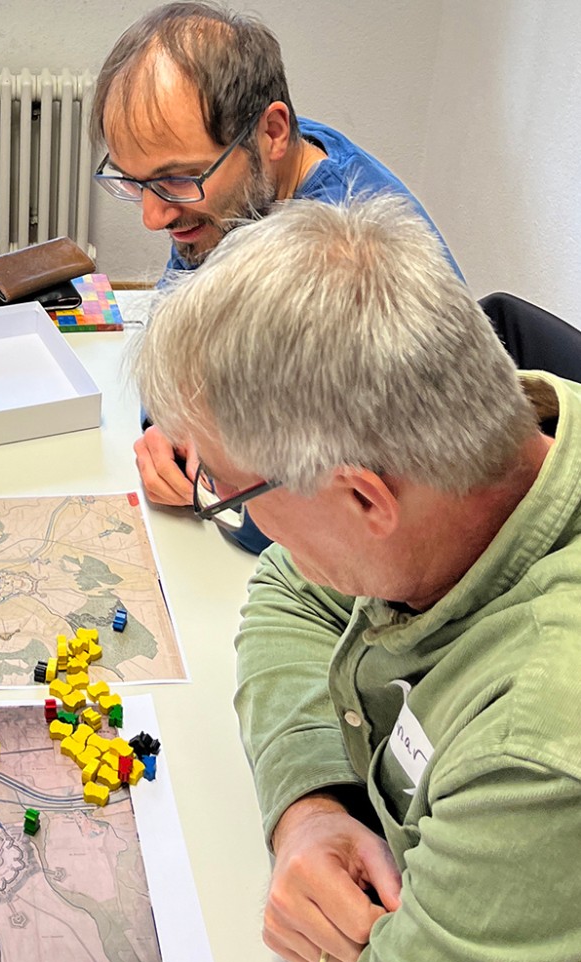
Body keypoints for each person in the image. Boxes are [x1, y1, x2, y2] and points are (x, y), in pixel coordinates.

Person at [133, 195, 581, 962]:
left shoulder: (535, 746)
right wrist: (311, 807)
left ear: (364, 497)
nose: (230, 511)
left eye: (230, 491)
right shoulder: (464, 476)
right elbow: (288, 589)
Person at [91, 2, 457, 553]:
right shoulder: (244, 191)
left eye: (177, 179)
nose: (152, 216)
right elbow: (173, 341)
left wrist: (206, 478)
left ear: (273, 132)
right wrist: (163, 427)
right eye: (135, 182)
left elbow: (304, 515)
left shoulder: (346, 268)